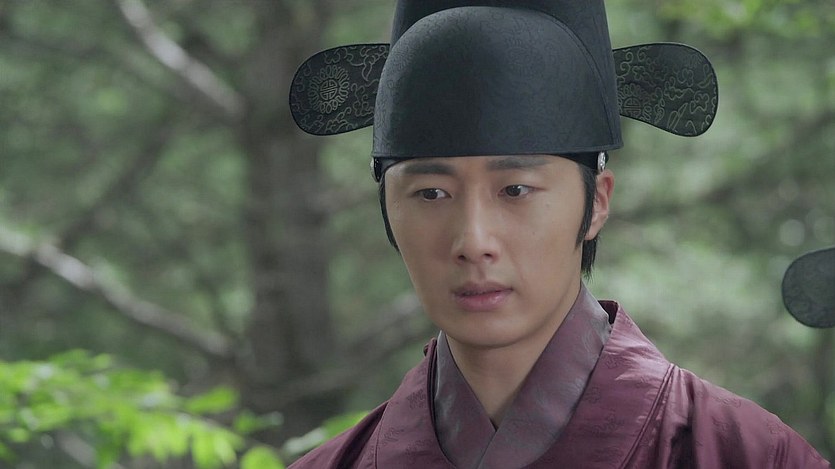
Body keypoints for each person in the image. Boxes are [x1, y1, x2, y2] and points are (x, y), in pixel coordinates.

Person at [287, 1, 831, 467]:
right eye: (431, 193)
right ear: (386, 208)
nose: (473, 241)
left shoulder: (746, 453)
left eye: (515, 190)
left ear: (597, 202)